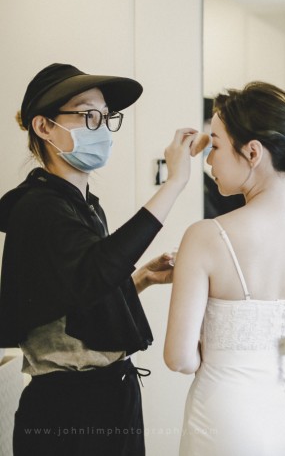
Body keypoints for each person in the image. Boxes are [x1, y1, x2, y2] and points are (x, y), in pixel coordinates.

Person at [0, 63, 198, 455]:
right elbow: (96, 269)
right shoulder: (39, 207)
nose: (103, 127)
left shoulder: (84, 207)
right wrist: (174, 183)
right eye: (89, 115)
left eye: (107, 117)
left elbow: (78, 290)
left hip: (109, 395)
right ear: (44, 127)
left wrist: (138, 279)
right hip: (70, 410)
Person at [164, 82, 285, 455]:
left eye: (214, 146)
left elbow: (179, 358)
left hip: (228, 416)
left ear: (252, 152)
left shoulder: (205, 237)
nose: (208, 160)